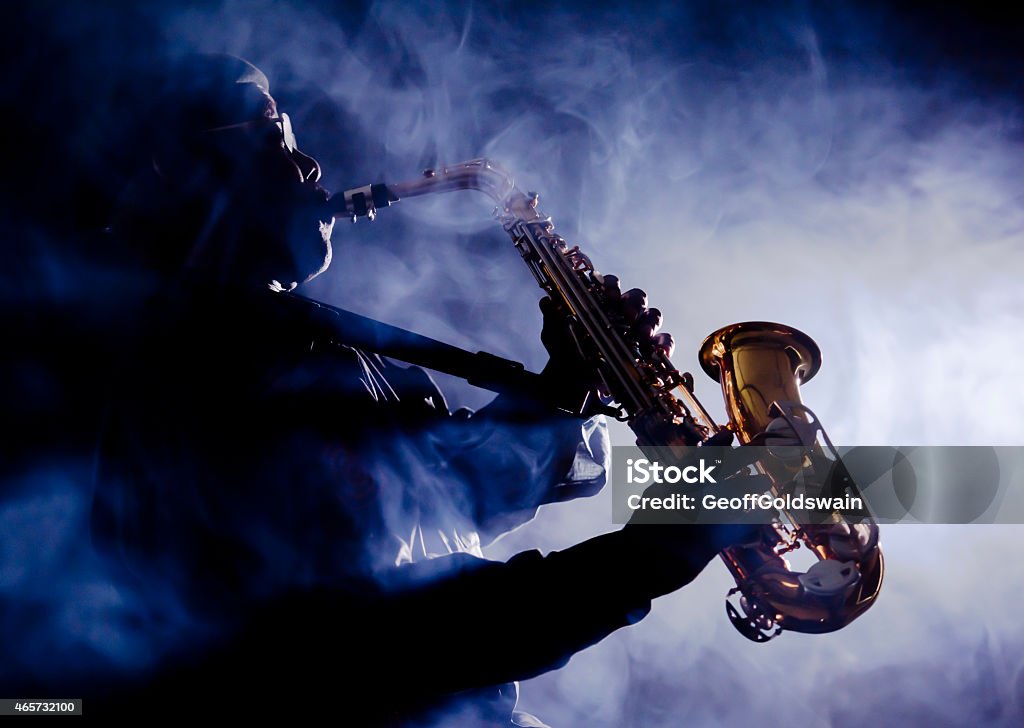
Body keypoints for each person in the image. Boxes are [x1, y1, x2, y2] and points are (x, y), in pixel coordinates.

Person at [89, 55, 757, 726]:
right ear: (192, 181)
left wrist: (573, 379)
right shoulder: (209, 372)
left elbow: (450, 501)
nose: (311, 166)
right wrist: (657, 550)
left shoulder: (304, 348)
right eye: (275, 138)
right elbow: (381, 645)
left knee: (822, 482)